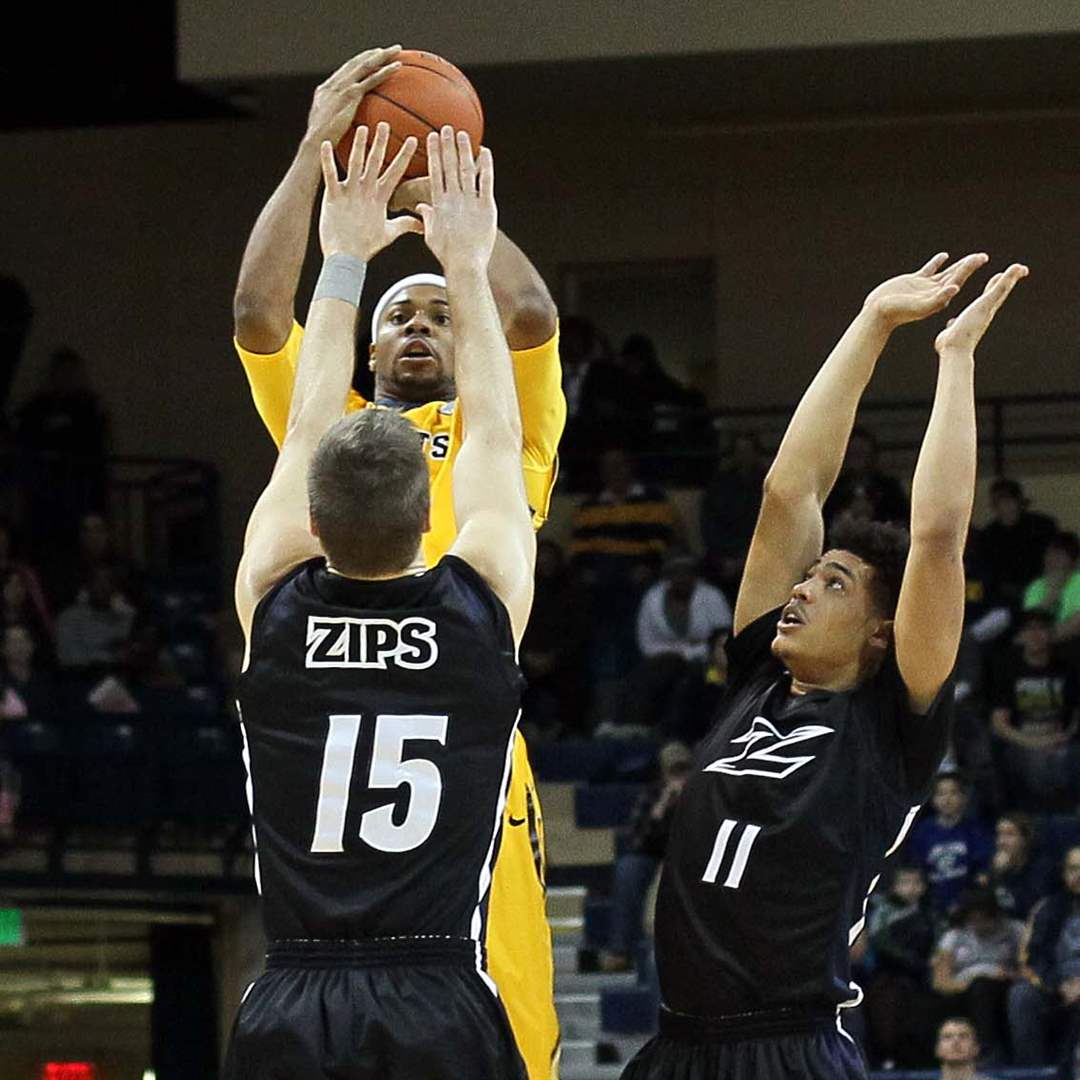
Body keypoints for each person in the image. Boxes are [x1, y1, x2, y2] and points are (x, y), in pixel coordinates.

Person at [231, 49, 563, 1079]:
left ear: (477, 358)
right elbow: (256, 314)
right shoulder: (361, 440)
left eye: (440, 317)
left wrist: (360, 239)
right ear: (366, 362)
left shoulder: (288, 551)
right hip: (450, 704)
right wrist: (456, 234)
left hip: (438, 789)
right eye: (396, 317)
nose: (418, 326)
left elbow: (532, 323)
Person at [621, 251, 1027, 1080]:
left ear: (883, 631)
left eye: (832, 582)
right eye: (807, 576)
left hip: (790, 1048)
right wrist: (872, 324)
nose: (801, 589)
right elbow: (789, 491)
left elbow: (939, 537)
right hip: (677, 1048)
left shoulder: (891, 724)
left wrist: (953, 360)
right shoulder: (758, 681)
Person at [600, 741, 693, 974]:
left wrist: (687, 801)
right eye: (673, 771)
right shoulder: (652, 794)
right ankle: (620, 950)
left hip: (689, 853)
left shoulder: (702, 791)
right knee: (628, 870)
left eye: (683, 770)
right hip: (652, 853)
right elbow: (638, 840)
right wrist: (661, 807)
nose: (678, 776)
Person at [625, 556, 732, 733]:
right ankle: (643, 727)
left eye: (687, 573)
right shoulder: (652, 599)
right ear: (668, 577)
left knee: (700, 681)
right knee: (650, 677)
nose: (682, 578)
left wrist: (686, 653)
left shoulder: (711, 596)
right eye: (676, 574)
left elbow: (723, 638)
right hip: (662, 661)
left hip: (707, 662)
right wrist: (680, 652)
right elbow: (646, 642)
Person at [989, 609, 1079, 812]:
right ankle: (1037, 815)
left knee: (1070, 757)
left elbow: (1075, 714)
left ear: (1051, 634)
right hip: (1022, 739)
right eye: (1030, 629)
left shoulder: (1066, 669)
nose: (1036, 635)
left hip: (1059, 738)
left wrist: (1064, 736)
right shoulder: (1008, 670)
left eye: (1042, 629)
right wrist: (1034, 742)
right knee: (1034, 762)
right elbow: (999, 723)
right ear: (1021, 636)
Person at [931, 888, 1024, 1065]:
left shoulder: (1015, 930)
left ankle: (992, 1052)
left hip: (1004, 988)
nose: (979, 923)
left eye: (985, 917)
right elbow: (940, 981)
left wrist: (1008, 975)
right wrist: (972, 981)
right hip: (965, 990)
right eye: (974, 918)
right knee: (978, 988)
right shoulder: (954, 936)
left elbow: (1028, 970)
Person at [1007, 846, 1080, 1070]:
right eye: (1073, 868)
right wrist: (1059, 985)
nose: (1078, 875)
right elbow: (1032, 957)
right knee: (1021, 996)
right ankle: (1032, 1072)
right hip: (1056, 987)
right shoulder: (1047, 908)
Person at [862, 865, 939, 1067]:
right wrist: (908, 960)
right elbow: (880, 940)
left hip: (922, 976)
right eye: (905, 883)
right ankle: (887, 1057)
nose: (911, 888)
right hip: (888, 974)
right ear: (895, 887)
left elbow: (939, 943)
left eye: (915, 883)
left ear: (923, 887)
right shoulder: (884, 911)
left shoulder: (930, 913)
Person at [908, 773, 994, 916]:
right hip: (932, 907)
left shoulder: (976, 830)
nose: (947, 800)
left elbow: (982, 871)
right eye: (941, 794)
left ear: (964, 797)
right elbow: (917, 869)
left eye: (953, 793)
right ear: (932, 799)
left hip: (969, 908)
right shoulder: (923, 832)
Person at [976, 478, 1057, 613]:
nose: (1005, 507)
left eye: (1008, 501)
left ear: (1019, 501)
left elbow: (1056, 560)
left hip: (1042, 588)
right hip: (1002, 598)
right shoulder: (989, 536)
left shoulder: (1042, 527)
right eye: (999, 503)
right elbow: (986, 572)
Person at [700, 433, 765, 595]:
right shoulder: (719, 486)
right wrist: (728, 558)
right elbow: (710, 527)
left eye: (748, 450)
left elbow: (775, 527)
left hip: (762, 556)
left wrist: (746, 559)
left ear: (757, 453)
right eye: (740, 451)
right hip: (724, 557)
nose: (744, 456)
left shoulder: (769, 484)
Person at [824, 425, 910, 528]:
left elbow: (902, 521)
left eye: (862, 453)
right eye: (853, 454)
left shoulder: (890, 488)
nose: (858, 460)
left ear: (873, 455)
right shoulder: (832, 489)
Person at [980, 813, 1057, 922]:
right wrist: (995, 874)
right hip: (999, 925)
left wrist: (999, 877)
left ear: (1025, 838)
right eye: (999, 834)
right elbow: (983, 904)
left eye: (1010, 834)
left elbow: (1025, 907)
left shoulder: (1042, 867)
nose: (1002, 842)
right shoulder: (997, 864)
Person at [1023, 530, 1080, 648]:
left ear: (1073, 561)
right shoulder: (1036, 587)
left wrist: (1041, 639)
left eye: (1059, 555)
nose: (1052, 559)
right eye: (1049, 554)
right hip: (1041, 646)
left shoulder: (1078, 581)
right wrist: (1052, 595)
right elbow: (1031, 622)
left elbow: (1076, 625)